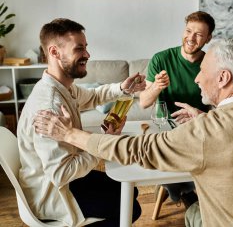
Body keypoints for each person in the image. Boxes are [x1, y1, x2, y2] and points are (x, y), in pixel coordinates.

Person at [34, 38, 233, 227]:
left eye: (202, 72)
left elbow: (138, 149)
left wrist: (70, 134)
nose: (196, 79)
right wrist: (207, 116)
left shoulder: (205, 132)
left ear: (223, 78)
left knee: (193, 213)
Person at [18, 18, 145, 226]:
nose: (87, 54)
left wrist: (122, 88)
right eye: (79, 49)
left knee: (130, 189)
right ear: (54, 52)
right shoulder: (49, 106)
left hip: (67, 179)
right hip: (53, 192)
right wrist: (103, 144)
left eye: (86, 47)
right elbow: (61, 174)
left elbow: (93, 97)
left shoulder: (62, 87)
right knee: (131, 207)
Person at [139, 11, 215, 206]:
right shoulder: (161, 59)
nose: (191, 38)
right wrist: (156, 87)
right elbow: (144, 102)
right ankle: (184, 193)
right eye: (188, 30)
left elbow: (219, 107)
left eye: (198, 34)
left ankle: (185, 191)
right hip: (165, 129)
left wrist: (200, 118)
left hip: (198, 129)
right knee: (163, 155)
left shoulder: (211, 63)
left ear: (208, 38)